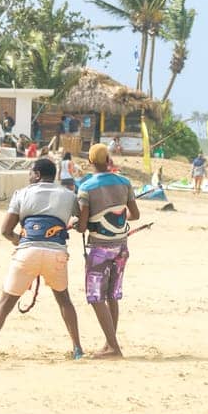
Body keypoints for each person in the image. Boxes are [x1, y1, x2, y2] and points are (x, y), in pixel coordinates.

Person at [0, 157, 84, 361]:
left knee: (5, 303)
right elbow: (80, 222)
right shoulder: (68, 195)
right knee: (64, 301)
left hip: (27, 252)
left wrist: (21, 240)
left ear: (37, 174)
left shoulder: (22, 194)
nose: (28, 176)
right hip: (56, 254)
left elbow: (5, 230)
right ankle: (77, 348)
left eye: (30, 173)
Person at [78, 143, 139, 358]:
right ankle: (109, 343)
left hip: (99, 248)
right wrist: (118, 221)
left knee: (95, 297)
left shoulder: (86, 187)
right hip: (121, 247)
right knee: (112, 295)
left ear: (90, 162)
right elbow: (135, 214)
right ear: (109, 160)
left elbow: (83, 226)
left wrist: (80, 223)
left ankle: (113, 347)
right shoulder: (125, 182)